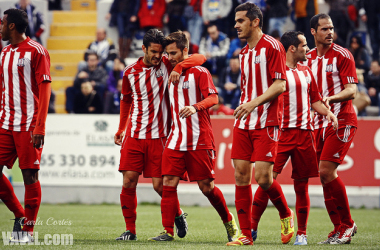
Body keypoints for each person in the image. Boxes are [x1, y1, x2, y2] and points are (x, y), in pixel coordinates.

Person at [114, 29, 207, 241]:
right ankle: (130, 230)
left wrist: (181, 65)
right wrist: (121, 128)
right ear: (144, 49)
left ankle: (178, 214)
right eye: (154, 52)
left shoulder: (167, 64)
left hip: (161, 135)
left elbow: (201, 58)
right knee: (128, 181)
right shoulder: (130, 72)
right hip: (135, 135)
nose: (158, 56)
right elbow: (126, 100)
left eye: (160, 52)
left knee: (159, 186)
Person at [149, 30, 239, 242]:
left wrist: (195, 107)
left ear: (185, 51)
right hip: (175, 138)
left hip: (199, 138)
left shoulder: (199, 72)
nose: (169, 57)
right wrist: (175, 64)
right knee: (168, 182)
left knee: (206, 187)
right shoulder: (167, 67)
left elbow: (214, 97)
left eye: (174, 53)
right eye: (168, 54)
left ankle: (228, 220)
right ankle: (167, 231)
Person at [250, 31, 338, 246]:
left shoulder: (306, 71)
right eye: (304, 45)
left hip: (304, 134)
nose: (307, 49)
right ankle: (251, 228)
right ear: (292, 48)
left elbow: (315, 100)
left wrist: (328, 113)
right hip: (280, 133)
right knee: (266, 182)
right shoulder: (275, 71)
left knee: (301, 185)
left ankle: (302, 233)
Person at [227, 3, 294, 246]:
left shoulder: (273, 46)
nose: (236, 25)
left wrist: (253, 104)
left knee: (264, 178)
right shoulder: (243, 53)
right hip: (244, 121)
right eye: (236, 20)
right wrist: (246, 105)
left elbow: (280, 85)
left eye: (241, 20)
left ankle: (286, 214)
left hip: (267, 121)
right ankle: (245, 235)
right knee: (241, 176)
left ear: (255, 22)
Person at [305, 13, 358, 244]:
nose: (330, 32)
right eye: (324, 29)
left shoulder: (343, 55)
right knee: (323, 176)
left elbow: (352, 90)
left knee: (327, 171)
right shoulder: (306, 58)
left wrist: (332, 98)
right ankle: (338, 228)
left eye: (332, 28)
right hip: (317, 125)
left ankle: (348, 224)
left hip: (342, 120)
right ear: (313, 32)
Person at [0, 8, 51, 243]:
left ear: (11, 26)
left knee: (29, 176)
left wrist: (40, 126)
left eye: (2, 23)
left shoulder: (37, 51)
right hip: (5, 122)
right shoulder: (4, 53)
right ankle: (21, 216)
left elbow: (45, 88)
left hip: (28, 124)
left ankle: (28, 233)